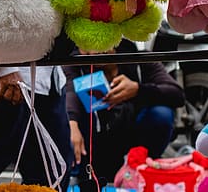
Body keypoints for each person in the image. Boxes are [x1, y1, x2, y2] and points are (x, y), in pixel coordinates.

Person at [63, 40, 184, 185]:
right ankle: (79, 176)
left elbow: (176, 94)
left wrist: (137, 90)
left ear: (114, 41)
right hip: (93, 149)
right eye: (86, 45)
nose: (93, 52)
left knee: (161, 114)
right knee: (69, 124)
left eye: (100, 44)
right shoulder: (76, 64)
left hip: (134, 147)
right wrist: (71, 123)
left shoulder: (138, 60)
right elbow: (70, 94)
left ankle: (144, 168)